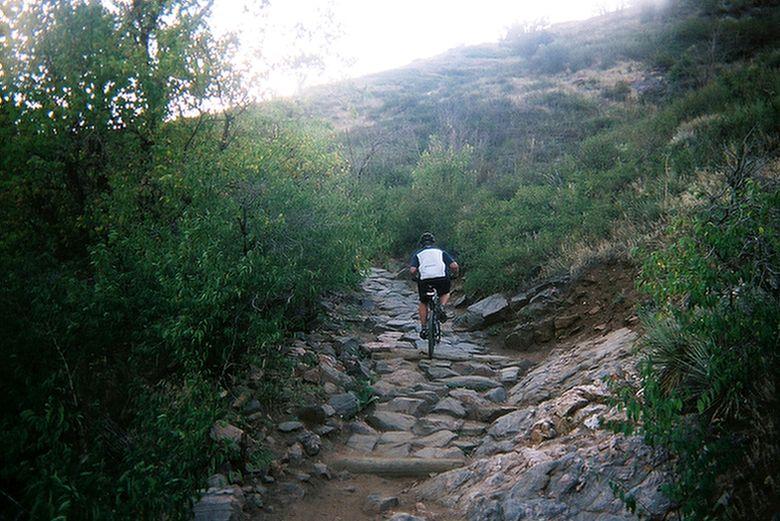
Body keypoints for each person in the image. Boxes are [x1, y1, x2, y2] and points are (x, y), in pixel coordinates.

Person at [409, 232, 459, 339]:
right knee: (445, 293)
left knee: (423, 302)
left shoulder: (418, 254)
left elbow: (413, 270)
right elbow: (454, 266)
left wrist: (414, 277)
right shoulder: (441, 252)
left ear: (421, 244)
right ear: (433, 243)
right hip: (441, 278)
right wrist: (455, 275)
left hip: (425, 280)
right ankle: (441, 306)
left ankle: (423, 328)